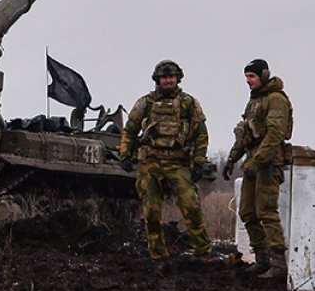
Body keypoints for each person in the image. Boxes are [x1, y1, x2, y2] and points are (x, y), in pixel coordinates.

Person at [119, 60, 215, 265]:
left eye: (171, 77)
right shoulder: (145, 103)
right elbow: (130, 130)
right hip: (151, 162)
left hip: (178, 162)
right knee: (151, 212)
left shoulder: (189, 103)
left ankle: (204, 252)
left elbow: (201, 134)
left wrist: (198, 162)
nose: (168, 80)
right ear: (157, 80)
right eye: (164, 77)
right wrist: (125, 155)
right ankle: (158, 256)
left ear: (178, 78)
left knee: (191, 206)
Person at [223, 58, 293, 279]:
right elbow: (245, 134)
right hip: (253, 163)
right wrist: (232, 159)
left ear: (263, 75)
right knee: (247, 212)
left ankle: (279, 265)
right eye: (246, 77)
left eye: (251, 76)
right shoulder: (255, 101)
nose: (248, 81)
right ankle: (262, 259)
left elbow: (274, 135)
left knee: (266, 212)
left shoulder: (276, 99)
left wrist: (256, 162)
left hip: (269, 163)